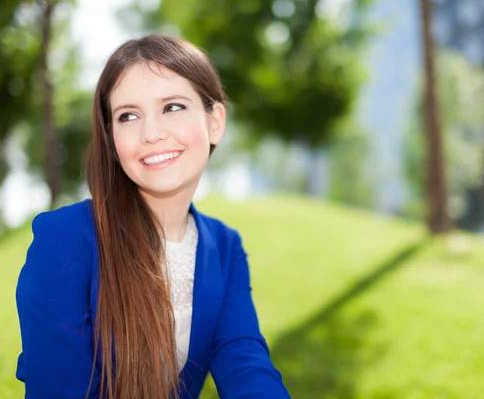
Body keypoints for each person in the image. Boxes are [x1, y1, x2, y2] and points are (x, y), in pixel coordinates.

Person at [15, 34, 290, 399]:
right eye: (128, 116)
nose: (152, 133)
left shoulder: (224, 247)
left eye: (173, 107)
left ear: (215, 121)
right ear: (112, 137)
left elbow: (245, 366)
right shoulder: (64, 239)